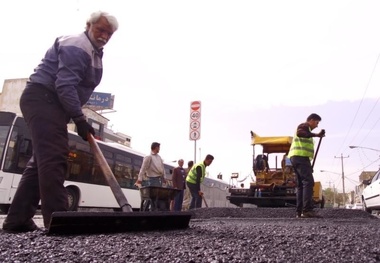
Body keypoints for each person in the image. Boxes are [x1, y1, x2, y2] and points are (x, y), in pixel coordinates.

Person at [2, 11, 119, 232]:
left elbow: (74, 88)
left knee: (41, 163)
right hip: (43, 98)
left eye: (109, 33)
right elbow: (64, 85)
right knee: (55, 157)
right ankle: (59, 220)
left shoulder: (94, 52)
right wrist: (79, 118)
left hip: (51, 104)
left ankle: (16, 220)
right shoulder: (77, 45)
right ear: (89, 25)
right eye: (100, 29)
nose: (104, 35)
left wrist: (78, 117)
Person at [288, 113, 325, 218]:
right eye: (317, 122)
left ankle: (299, 212)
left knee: (301, 185)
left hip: (297, 158)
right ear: (311, 120)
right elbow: (300, 133)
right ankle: (307, 210)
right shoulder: (304, 126)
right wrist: (317, 135)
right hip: (300, 157)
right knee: (308, 182)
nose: (317, 125)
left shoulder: (307, 131)